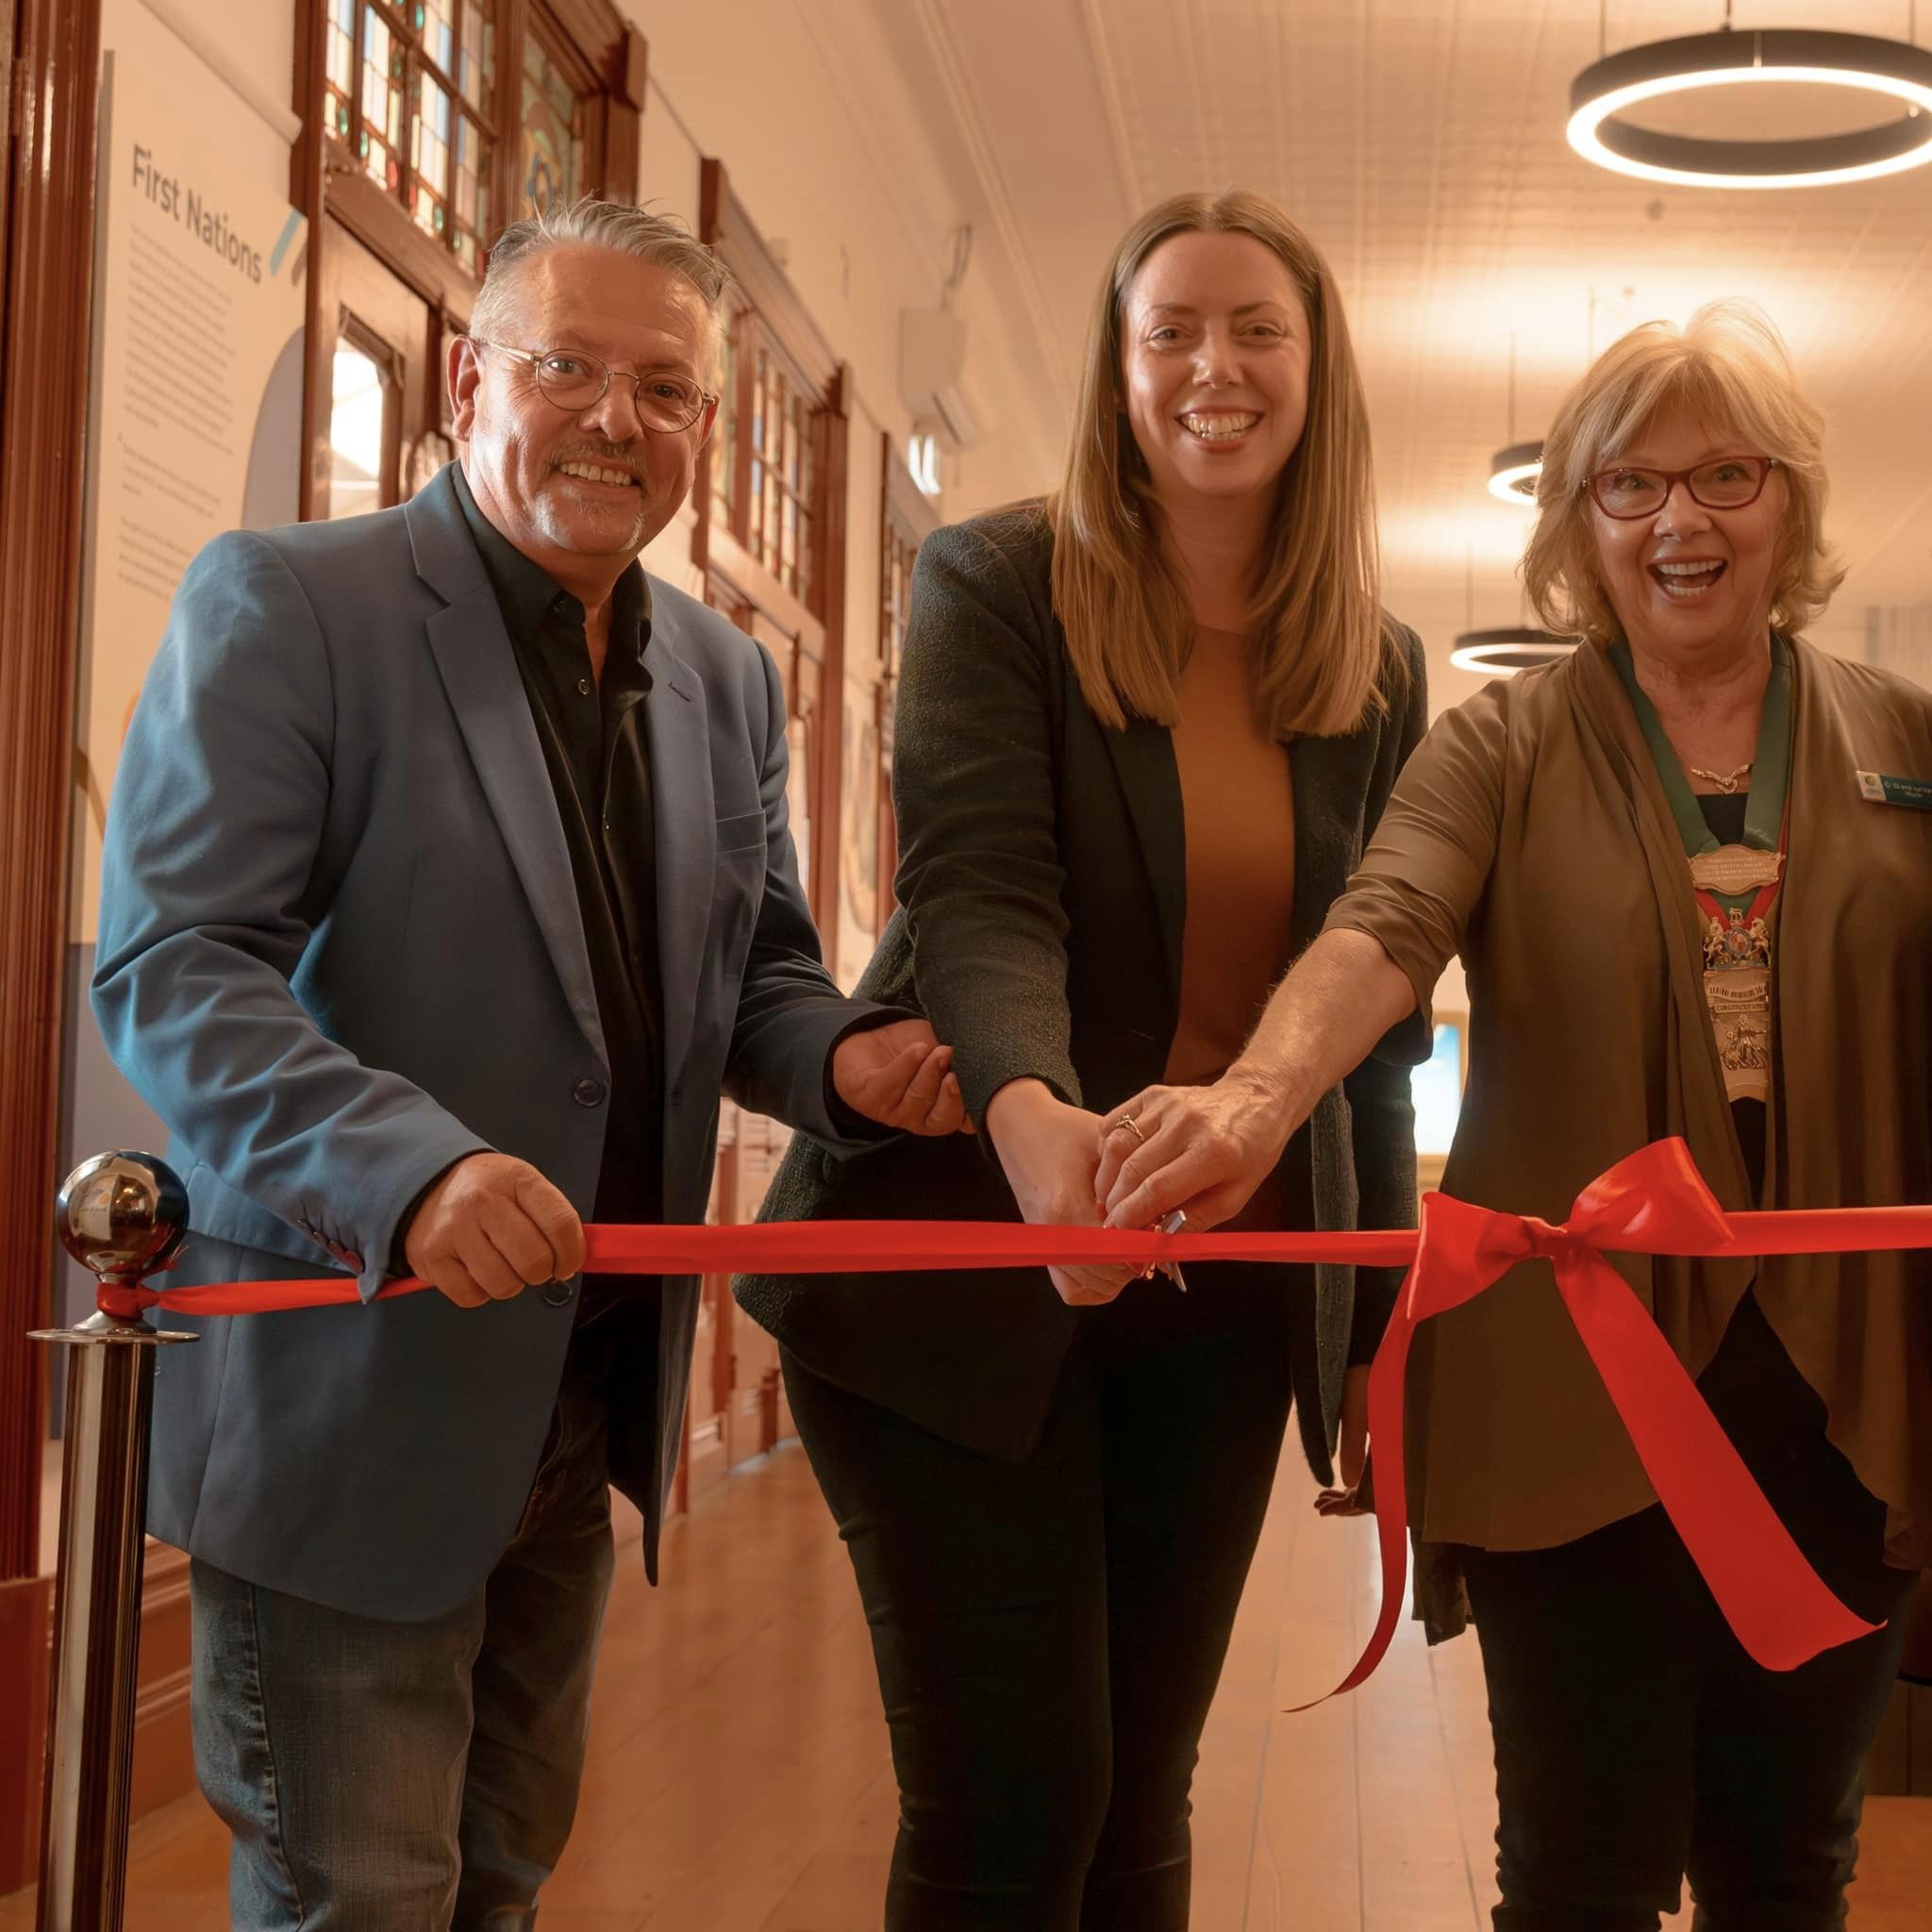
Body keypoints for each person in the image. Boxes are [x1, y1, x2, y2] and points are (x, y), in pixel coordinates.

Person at [92, 198, 966, 1930]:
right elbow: (178, 964)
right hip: (346, 1401)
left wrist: (855, 1064)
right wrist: (411, 1168)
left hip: (574, 1404)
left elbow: (758, 969)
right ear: (466, 376)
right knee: (363, 1897)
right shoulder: (291, 602)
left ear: (706, 427)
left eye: (666, 387)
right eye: (569, 365)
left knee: (497, 1879)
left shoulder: (722, 674)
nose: (616, 420)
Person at [1098, 300, 1930, 1930]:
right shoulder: (1500, 741)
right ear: (1575, 524)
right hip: (1579, 1379)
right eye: (1629, 486)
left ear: (1792, 507)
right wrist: (1256, 1099)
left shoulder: (1903, 739)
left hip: (1851, 1385)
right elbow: (1384, 924)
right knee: (1580, 1872)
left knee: (1791, 1868)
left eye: (1727, 476)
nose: (1680, 521)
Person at [735, 189, 1427, 1927]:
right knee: (1014, 1803)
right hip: (957, 1264)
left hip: (1223, 1284)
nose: (1216, 366)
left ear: (1318, 367)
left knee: (1136, 1801)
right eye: (1171, 330)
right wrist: (1043, 1130)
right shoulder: (996, 580)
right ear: (1117, 371)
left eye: (1257, 329)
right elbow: (981, 890)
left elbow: (1373, 995)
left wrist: (1372, 1335)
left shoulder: (1379, 663)